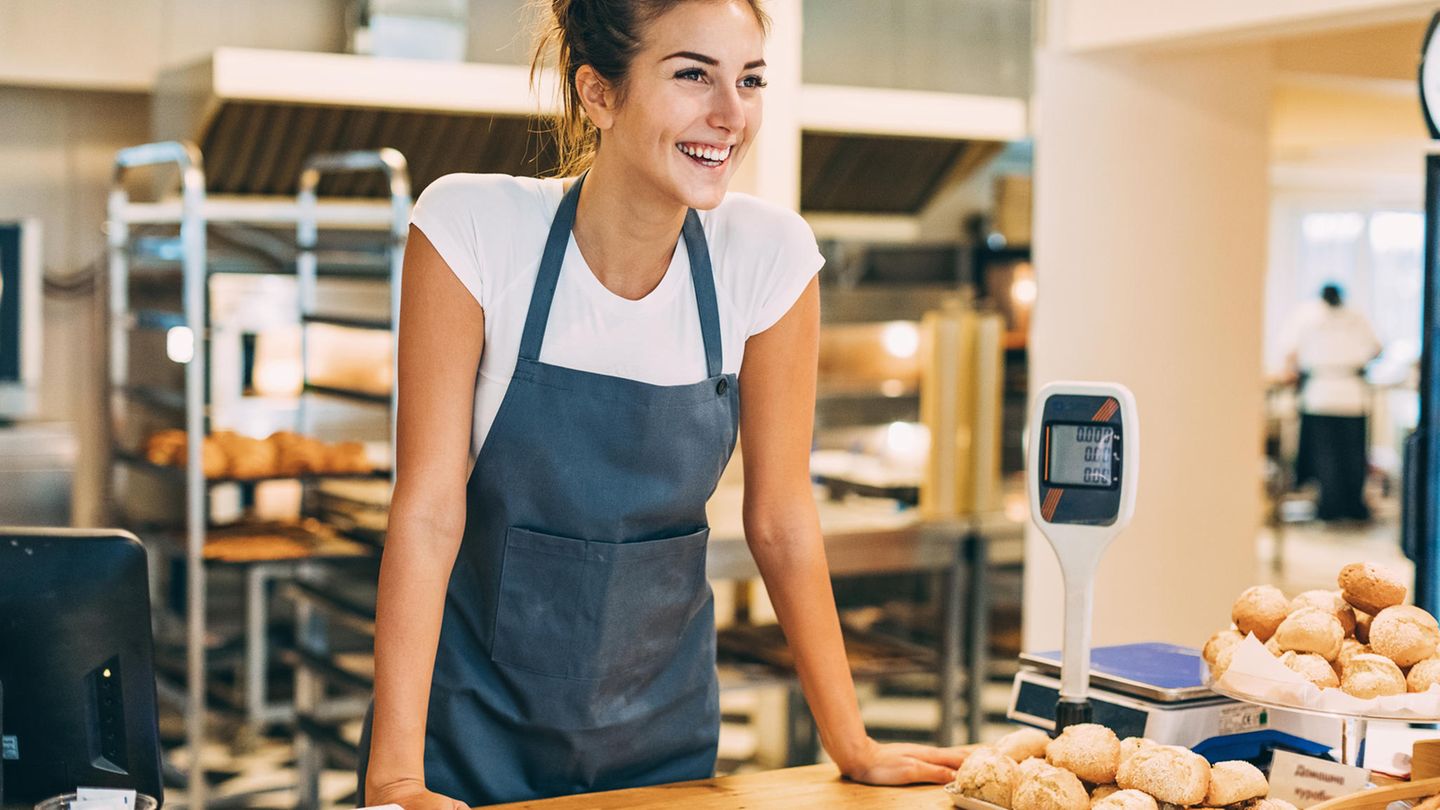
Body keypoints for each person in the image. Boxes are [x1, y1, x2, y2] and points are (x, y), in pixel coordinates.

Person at [357, 1, 972, 806]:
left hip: (663, 741)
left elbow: (781, 518)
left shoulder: (769, 259)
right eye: (692, 75)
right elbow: (430, 509)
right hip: (469, 738)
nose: (731, 115)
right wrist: (396, 778)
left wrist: (850, 742)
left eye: (749, 80)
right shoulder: (472, 229)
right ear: (599, 93)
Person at [1282, 283, 1381, 522]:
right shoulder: (1352, 315)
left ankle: (1333, 507)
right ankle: (1344, 506)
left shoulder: (1310, 315)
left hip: (1328, 393)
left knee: (1330, 457)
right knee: (1346, 457)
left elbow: (1289, 352)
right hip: (1341, 392)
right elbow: (1377, 348)